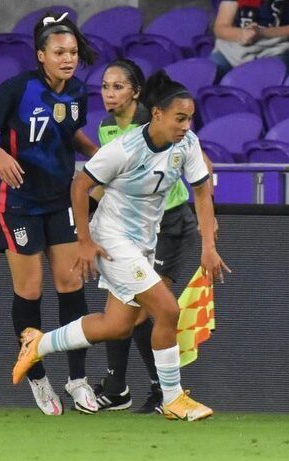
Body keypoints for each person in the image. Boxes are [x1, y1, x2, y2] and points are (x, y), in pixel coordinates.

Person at [12, 71, 230, 422]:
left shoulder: (187, 144)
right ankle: (173, 398)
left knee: (117, 325)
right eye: (180, 118)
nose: (186, 125)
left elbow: (202, 193)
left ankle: (38, 344)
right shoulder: (124, 149)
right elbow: (79, 187)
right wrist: (84, 242)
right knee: (167, 310)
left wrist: (209, 245)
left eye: (190, 118)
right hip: (111, 239)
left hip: (143, 241)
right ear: (157, 114)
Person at [0, 11, 101, 416]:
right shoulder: (17, 89)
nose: (68, 58)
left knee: (71, 284)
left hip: (60, 199)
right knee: (30, 292)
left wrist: (100, 157)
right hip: (19, 203)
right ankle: (37, 378)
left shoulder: (77, 92)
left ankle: (77, 378)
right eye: (59, 51)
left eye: (73, 51)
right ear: (41, 55)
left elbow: (68, 133)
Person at [91, 59, 216, 414]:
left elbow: (202, 169)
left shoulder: (160, 119)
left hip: (171, 223)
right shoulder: (106, 128)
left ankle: (158, 391)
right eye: (104, 86)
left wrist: (210, 224)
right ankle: (128, 388)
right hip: (133, 228)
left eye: (117, 87)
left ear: (136, 93)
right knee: (127, 312)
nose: (109, 94)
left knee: (148, 311)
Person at [210, 0, 289, 79]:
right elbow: (220, 27)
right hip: (244, 46)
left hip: (287, 48)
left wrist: (261, 33)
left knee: (265, 70)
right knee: (212, 66)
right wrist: (242, 34)